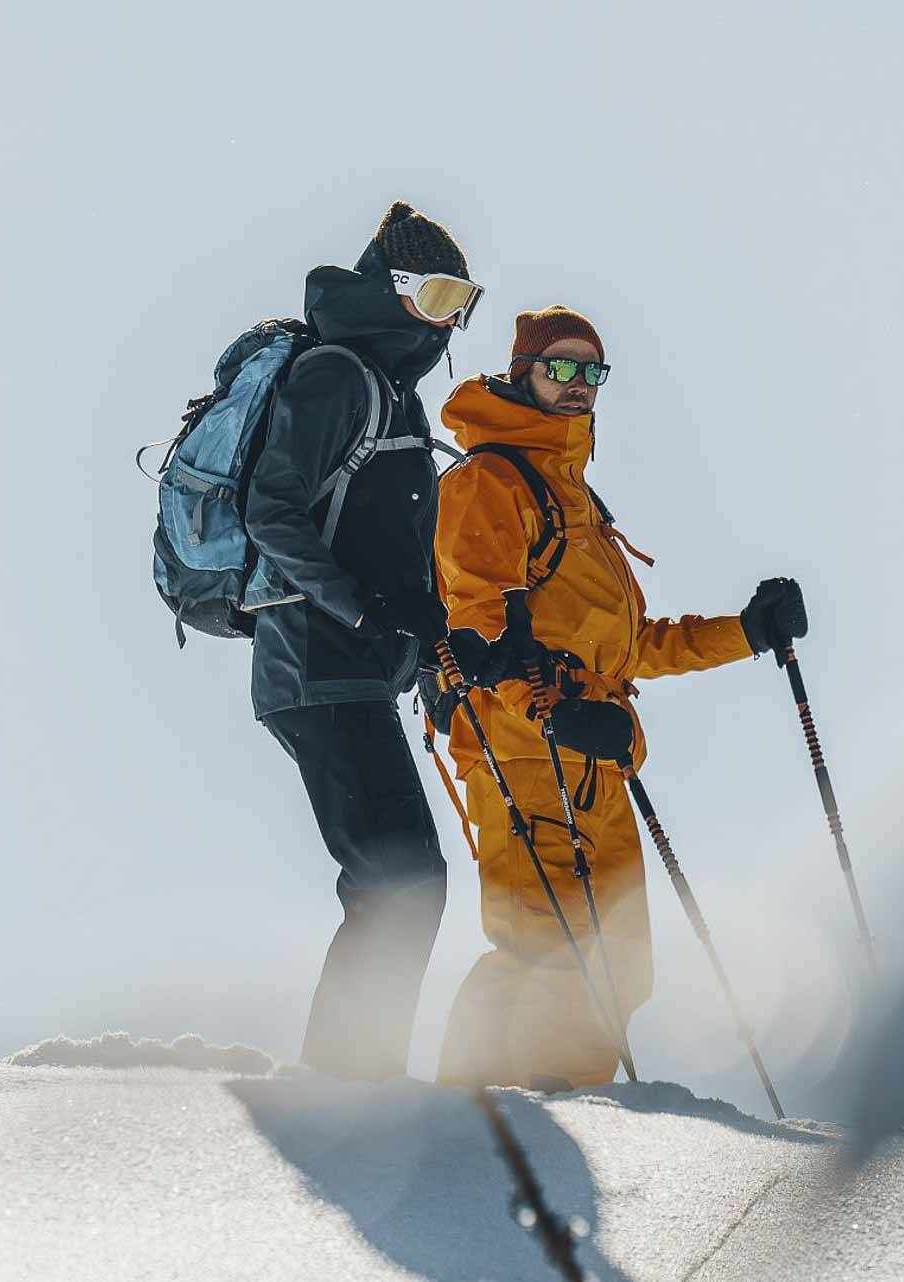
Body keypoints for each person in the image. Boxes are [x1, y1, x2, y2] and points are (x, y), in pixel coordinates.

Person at [433, 305, 807, 1090]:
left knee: (615, 967)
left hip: (598, 754)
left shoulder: (579, 505)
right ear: (521, 371)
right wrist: (554, 711)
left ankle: (579, 1122)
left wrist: (748, 631)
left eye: (591, 371)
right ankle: (477, 1126)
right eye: (560, 367)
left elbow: (632, 648)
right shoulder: (489, 482)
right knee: (544, 948)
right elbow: (479, 629)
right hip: (527, 754)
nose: (577, 386)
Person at [244, 201, 506, 1080]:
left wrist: (432, 648)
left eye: (459, 304)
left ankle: (356, 1085)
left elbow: (393, 560)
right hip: (315, 664)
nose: (445, 321)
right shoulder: (336, 376)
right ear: (386, 289)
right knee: (400, 883)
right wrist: (361, 612)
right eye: (434, 295)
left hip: (356, 672)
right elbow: (270, 511)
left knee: (402, 882)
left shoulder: (393, 392)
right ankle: (350, 1092)